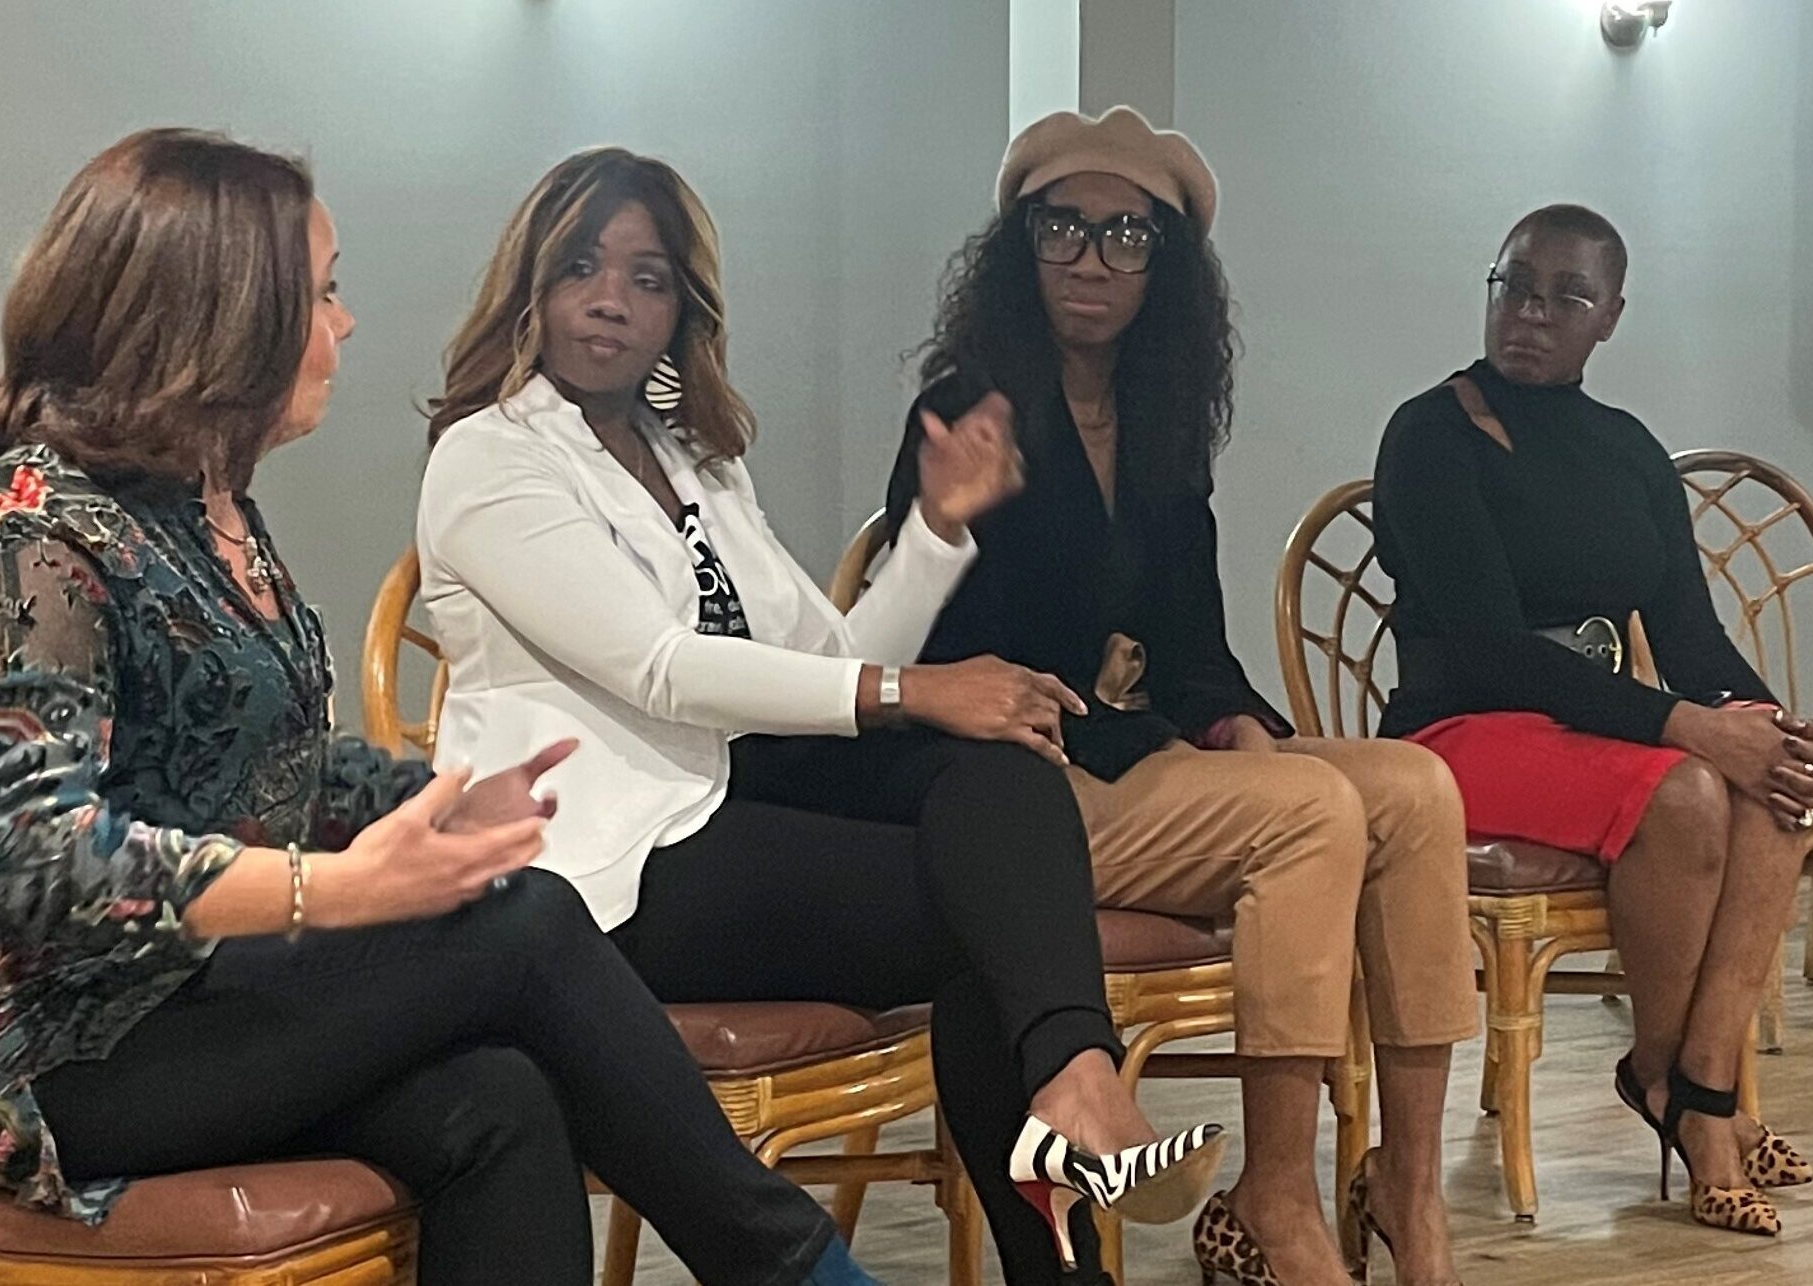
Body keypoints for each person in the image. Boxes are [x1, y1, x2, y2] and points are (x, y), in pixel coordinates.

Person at [0, 128, 880, 1286]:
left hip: (173, 992)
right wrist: (338, 885)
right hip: (22, 1050)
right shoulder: (29, 526)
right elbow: (23, 852)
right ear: (223, 318)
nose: (343, 326)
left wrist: (432, 804)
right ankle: (800, 1270)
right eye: (323, 293)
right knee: (523, 919)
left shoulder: (206, 506)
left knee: (501, 1097)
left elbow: (263, 762)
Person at [417, 146, 1226, 1286]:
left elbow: (833, 658)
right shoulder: (488, 458)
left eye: (649, 278)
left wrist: (939, 530)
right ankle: (1073, 1151)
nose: (612, 299)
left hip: (733, 795)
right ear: (531, 286)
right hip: (605, 866)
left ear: (680, 310)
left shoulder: (692, 458)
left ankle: (1077, 1085)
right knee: (992, 920)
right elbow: (661, 667)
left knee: (996, 776)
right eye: (583, 267)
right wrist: (915, 690)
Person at [886, 107, 1477, 1286]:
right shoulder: (971, 407)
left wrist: (1240, 722)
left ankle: (1407, 1195)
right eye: (1064, 230)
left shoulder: (1159, 422)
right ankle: (1275, 1197)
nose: (1093, 260)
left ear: (1169, 267)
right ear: (1023, 248)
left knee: (1413, 784)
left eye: (1126, 236)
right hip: (1023, 793)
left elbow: (1190, 646)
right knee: (1308, 813)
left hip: (1139, 752)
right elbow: (938, 646)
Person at [1374, 203, 1813, 1238]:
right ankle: (1674, 1086)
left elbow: (1687, 630)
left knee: (1773, 785)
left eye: (1564, 296)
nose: (1530, 313)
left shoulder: (1629, 450)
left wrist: (1761, 719)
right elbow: (1494, 647)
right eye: (1513, 286)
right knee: (1684, 785)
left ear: (1611, 316)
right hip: (1459, 729)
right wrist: (1693, 729)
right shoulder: (1430, 432)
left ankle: (1701, 1085)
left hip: (1591, 725)